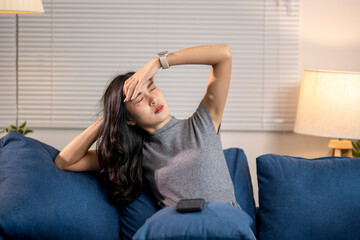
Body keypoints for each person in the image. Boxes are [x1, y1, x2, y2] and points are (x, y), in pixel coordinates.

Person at [54, 44, 239, 210]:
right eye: (140, 98)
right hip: (181, 230)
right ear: (129, 119)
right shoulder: (136, 153)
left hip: (228, 227)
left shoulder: (202, 124)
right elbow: (65, 161)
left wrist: (158, 62)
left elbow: (223, 55)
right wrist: (108, 118)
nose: (152, 99)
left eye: (152, 87)